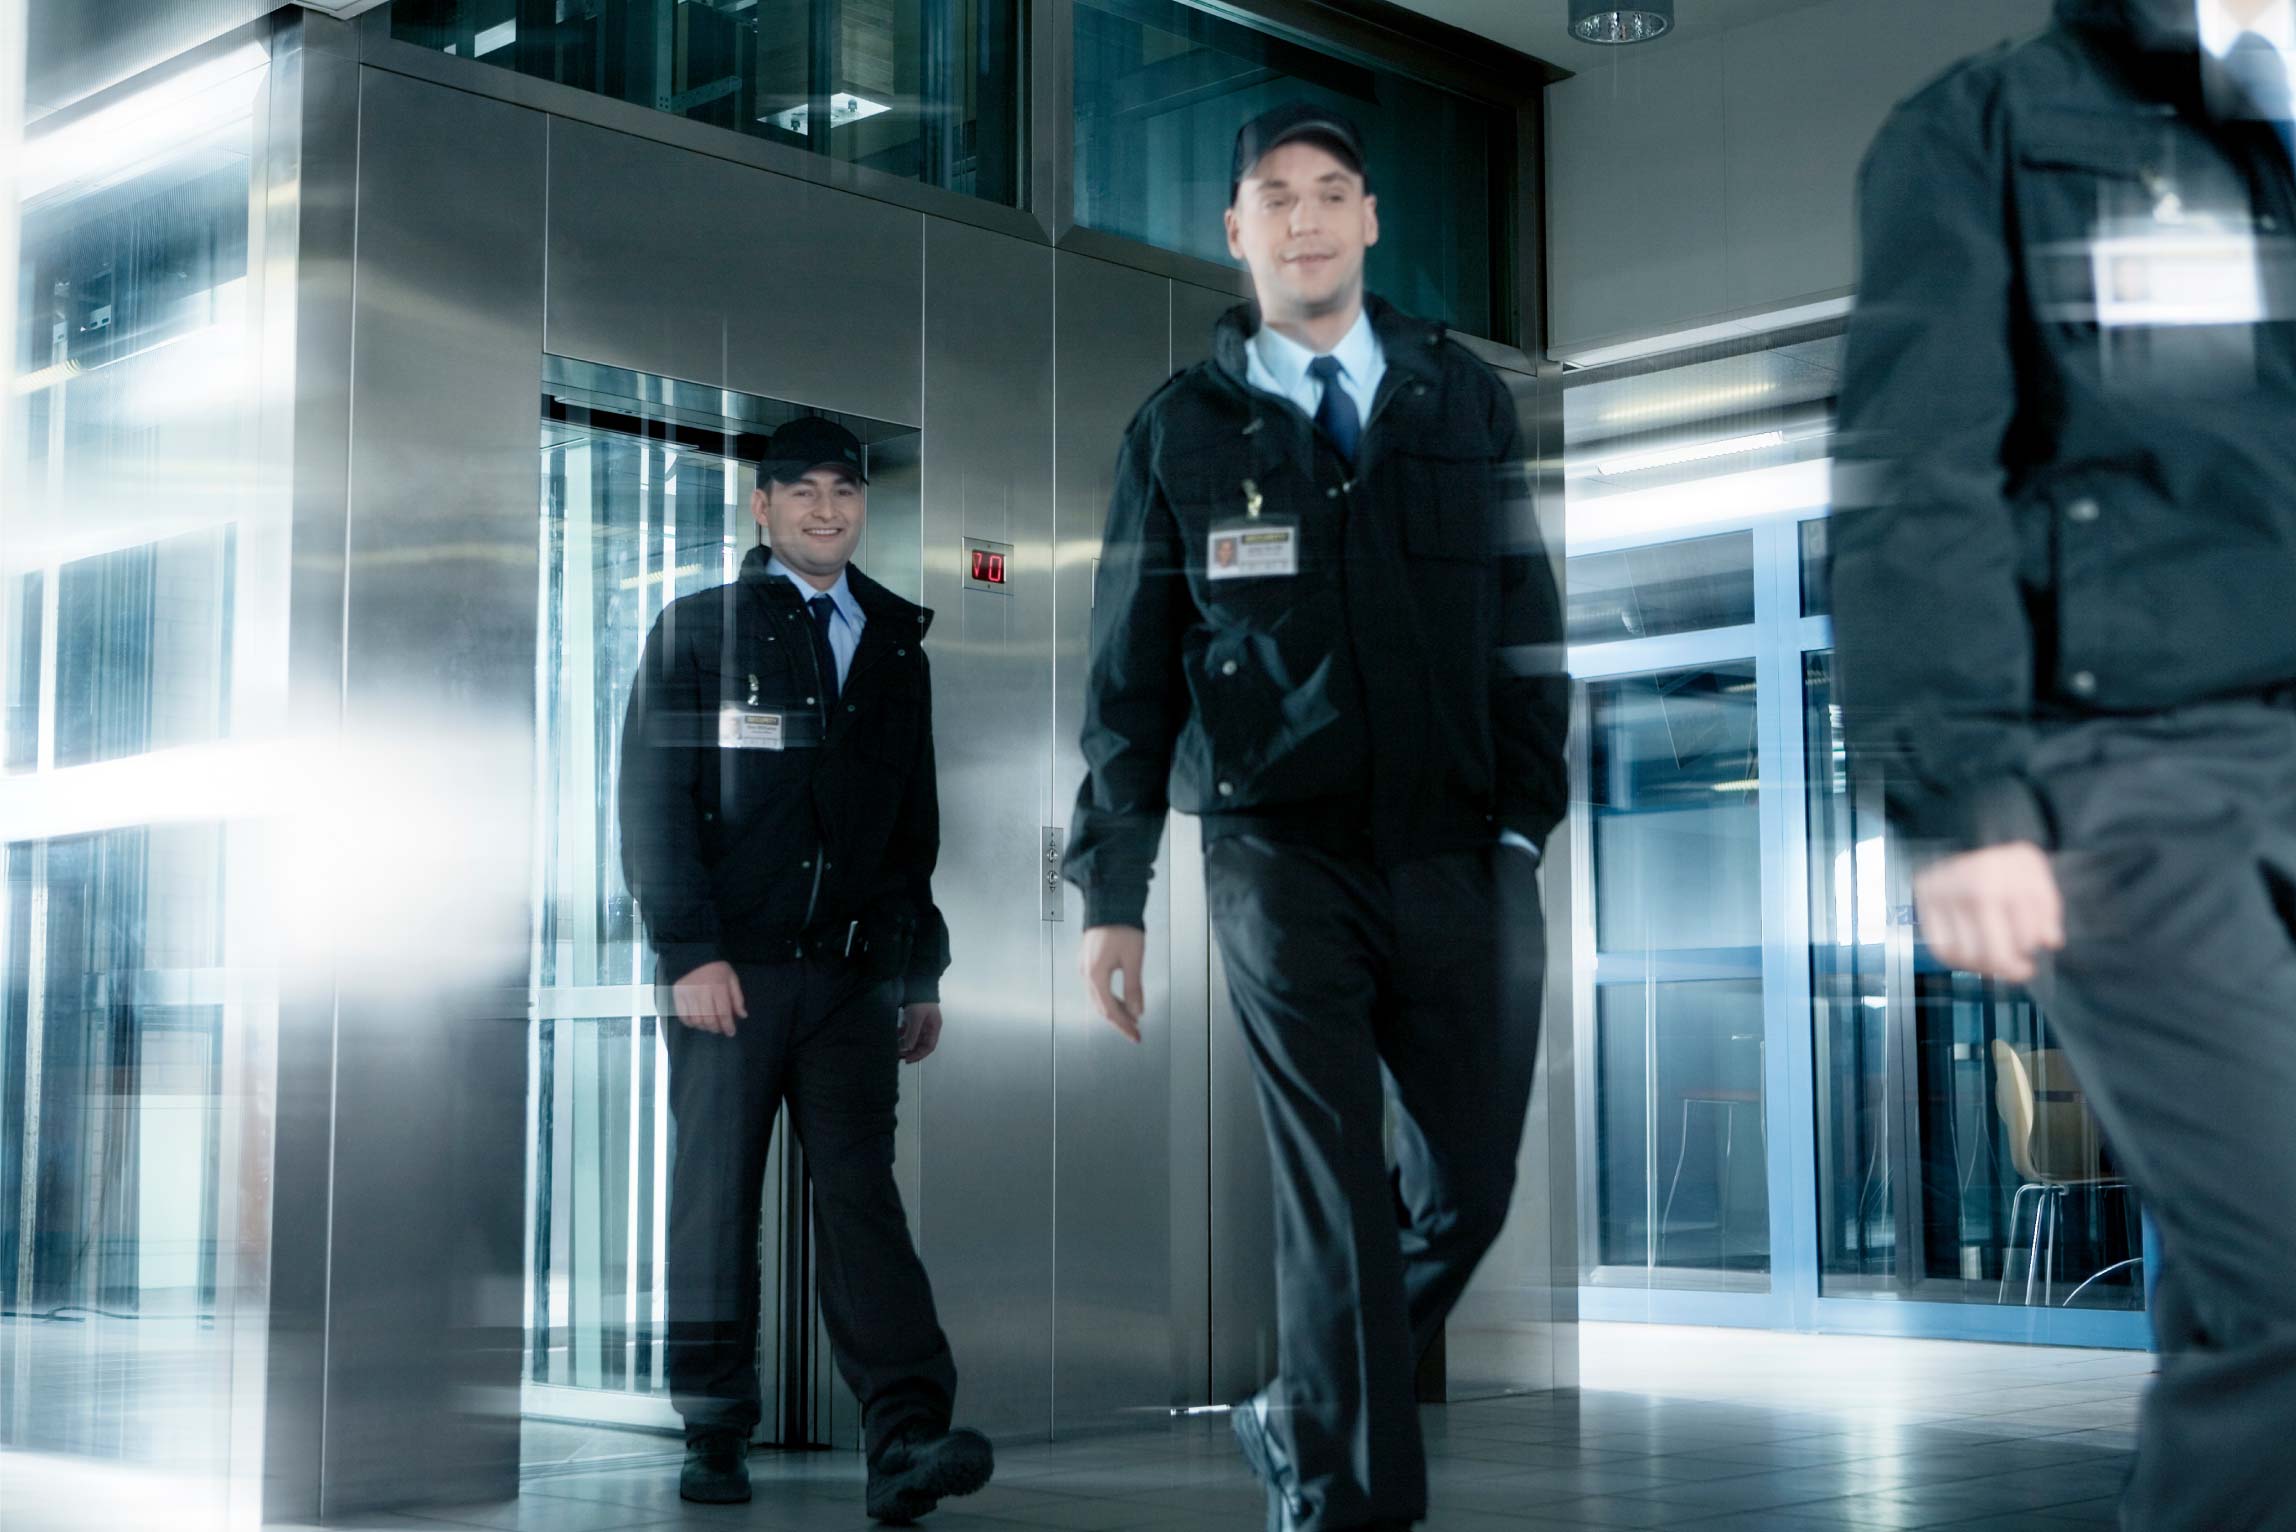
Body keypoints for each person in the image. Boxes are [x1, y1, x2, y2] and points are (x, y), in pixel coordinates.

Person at [1063, 103, 1567, 1532]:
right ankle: (1346, 1502)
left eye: (1333, 191)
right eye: (1275, 196)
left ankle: (1302, 1404)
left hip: (1464, 848)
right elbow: (1126, 678)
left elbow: (1528, 625)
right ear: (1235, 230)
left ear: (1369, 220)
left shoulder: (1460, 401)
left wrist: (1526, 818)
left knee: (1469, 1181)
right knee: (1338, 1191)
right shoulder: (1179, 431)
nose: (1305, 218)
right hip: (1277, 852)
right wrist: (1114, 892)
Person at [1832, 2, 2296, 1527]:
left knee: (2250, 1306)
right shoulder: (1992, 125)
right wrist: (1961, 794)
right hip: (2132, 771)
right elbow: (1919, 471)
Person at [617, 415, 993, 1521]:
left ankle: (904, 1438)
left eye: (845, 491)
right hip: (729, 975)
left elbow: (906, 823)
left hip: (848, 980)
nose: (827, 509)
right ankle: (714, 1425)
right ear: (762, 505)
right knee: (713, 1199)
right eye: (804, 491)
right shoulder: (698, 630)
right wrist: (689, 949)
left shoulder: (890, 638)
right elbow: (651, 803)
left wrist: (916, 967)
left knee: (862, 1199)